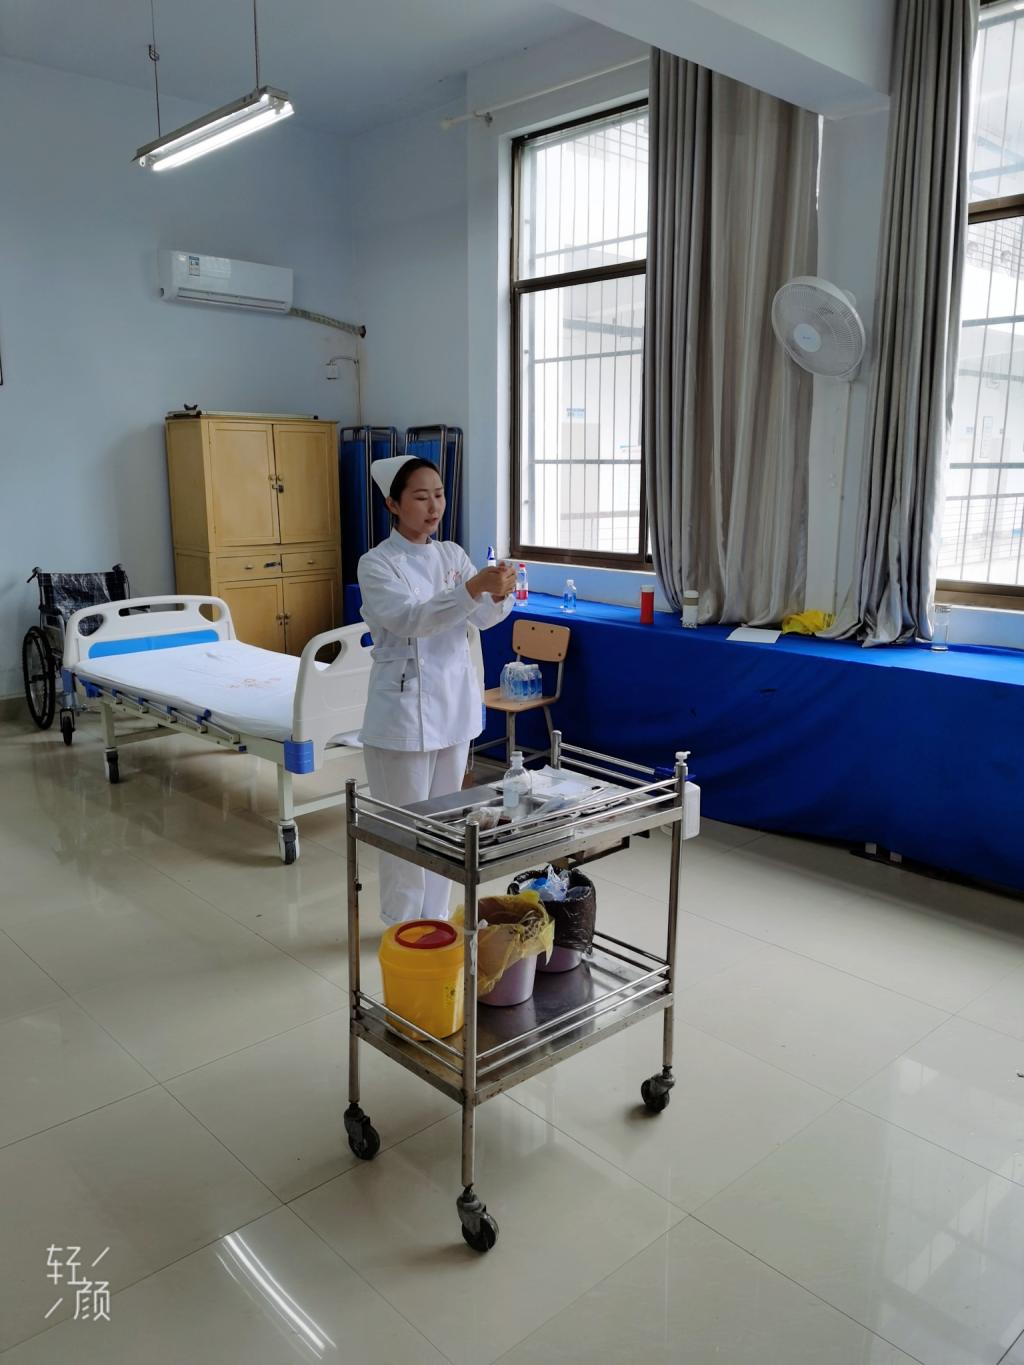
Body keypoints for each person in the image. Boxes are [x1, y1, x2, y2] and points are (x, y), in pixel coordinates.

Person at [357, 455, 516, 925]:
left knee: (446, 823)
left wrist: (498, 593)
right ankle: (403, 927)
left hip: (453, 705)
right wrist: (472, 588)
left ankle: (438, 921)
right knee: (405, 826)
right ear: (393, 504)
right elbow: (412, 620)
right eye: (421, 497)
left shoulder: (451, 555)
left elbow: (481, 618)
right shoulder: (377, 564)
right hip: (403, 712)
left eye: (440, 495)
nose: (434, 507)